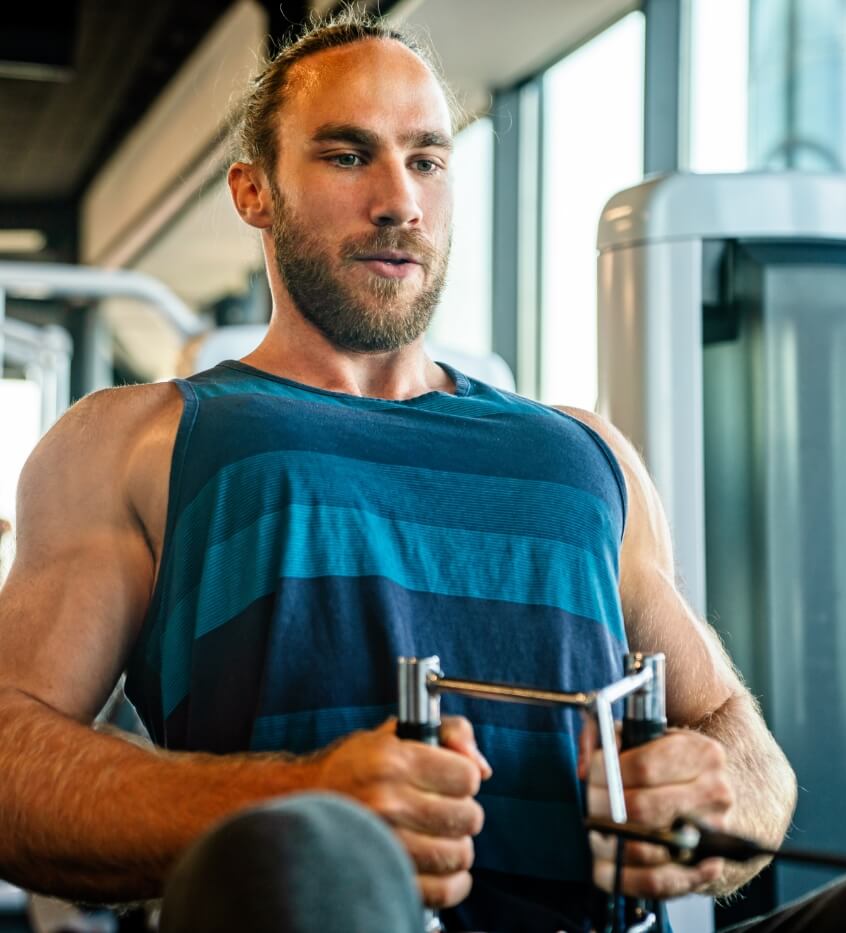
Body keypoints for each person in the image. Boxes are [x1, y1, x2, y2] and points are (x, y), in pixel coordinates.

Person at [0, 11, 796, 932]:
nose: (399, 201)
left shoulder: (585, 451)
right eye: (347, 156)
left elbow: (742, 740)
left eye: (426, 160)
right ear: (253, 193)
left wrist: (712, 794)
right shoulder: (141, 439)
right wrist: (303, 803)